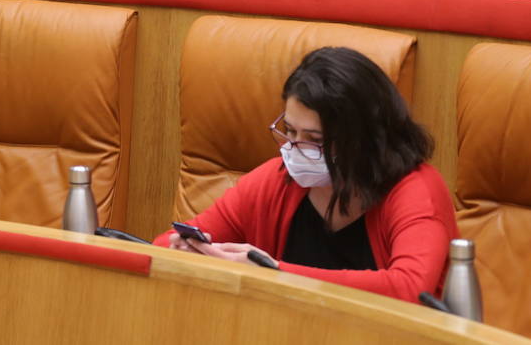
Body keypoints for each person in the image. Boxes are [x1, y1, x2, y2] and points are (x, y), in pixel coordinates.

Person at [155, 46, 457, 303]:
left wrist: (272, 274)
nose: (296, 149)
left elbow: (410, 289)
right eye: (289, 131)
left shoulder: (417, 191)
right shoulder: (275, 181)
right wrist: (189, 250)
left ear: (364, 139)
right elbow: (163, 245)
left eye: (315, 140)